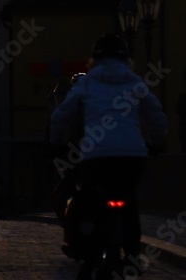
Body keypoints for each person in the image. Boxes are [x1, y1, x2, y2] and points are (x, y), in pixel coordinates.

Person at [50, 34, 167, 278]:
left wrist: (57, 142)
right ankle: (133, 253)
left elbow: (63, 115)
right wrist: (156, 142)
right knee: (128, 198)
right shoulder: (134, 82)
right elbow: (155, 114)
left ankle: (91, 247)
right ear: (126, 59)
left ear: (95, 59)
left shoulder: (88, 82)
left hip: (96, 157)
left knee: (92, 197)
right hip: (132, 157)